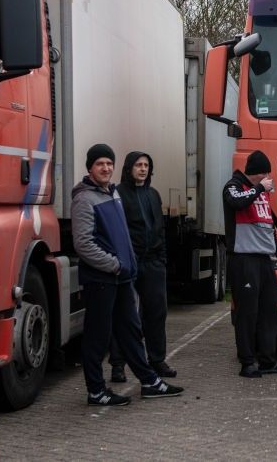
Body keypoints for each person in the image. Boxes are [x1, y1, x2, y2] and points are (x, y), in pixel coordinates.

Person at [72, 143, 184, 406]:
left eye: (109, 163)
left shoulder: (112, 194)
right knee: (97, 336)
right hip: (102, 279)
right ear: (90, 167)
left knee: (131, 330)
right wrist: (116, 264)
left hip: (121, 277)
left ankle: (149, 381)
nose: (105, 168)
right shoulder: (84, 199)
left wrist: (128, 264)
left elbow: (123, 235)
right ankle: (96, 391)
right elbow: (84, 244)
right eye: (100, 164)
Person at [108, 151, 176, 384]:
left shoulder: (153, 195)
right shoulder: (117, 194)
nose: (143, 169)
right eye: (138, 165)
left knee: (157, 312)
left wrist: (162, 259)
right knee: (125, 315)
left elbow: (161, 229)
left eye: (146, 165)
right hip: (130, 262)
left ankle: (157, 360)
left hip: (154, 263)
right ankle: (118, 365)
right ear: (129, 168)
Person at [223, 150, 277, 378]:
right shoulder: (234, 186)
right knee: (247, 313)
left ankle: (267, 360)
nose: (267, 178)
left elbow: (267, 223)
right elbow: (236, 202)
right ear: (256, 173)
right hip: (244, 258)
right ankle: (247, 362)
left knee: (270, 310)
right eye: (264, 174)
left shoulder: (262, 192)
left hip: (264, 259)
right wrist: (260, 188)